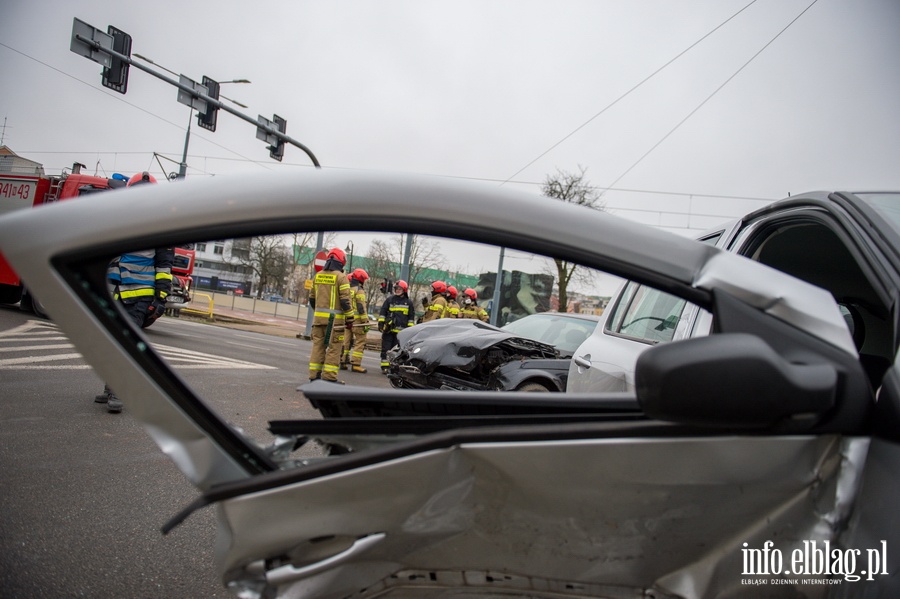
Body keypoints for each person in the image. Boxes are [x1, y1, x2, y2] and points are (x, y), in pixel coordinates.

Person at [95, 172, 174, 413]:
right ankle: (111, 386)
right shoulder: (118, 219)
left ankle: (120, 390)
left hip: (138, 297)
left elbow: (163, 267)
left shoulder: (160, 227)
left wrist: (160, 298)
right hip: (112, 293)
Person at [307, 247, 353, 383]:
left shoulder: (318, 275)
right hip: (335, 323)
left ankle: (314, 376)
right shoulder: (341, 277)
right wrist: (350, 318)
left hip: (318, 321)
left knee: (318, 347)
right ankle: (329, 378)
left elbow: (312, 299)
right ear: (341, 262)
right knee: (334, 349)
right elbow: (345, 300)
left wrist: (319, 313)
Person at [378, 279, 415, 374]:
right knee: (386, 349)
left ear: (404, 290)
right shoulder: (390, 300)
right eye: (396, 288)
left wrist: (409, 331)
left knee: (397, 351)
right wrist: (381, 323)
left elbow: (411, 318)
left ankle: (393, 367)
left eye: (399, 289)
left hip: (400, 333)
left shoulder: (409, 303)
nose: (397, 290)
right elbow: (383, 312)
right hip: (389, 330)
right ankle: (385, 367)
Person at [341, 268, 370, 373]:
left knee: (346, 341)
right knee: (360, 341)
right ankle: (356, 364)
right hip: (358, 322)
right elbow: (361, 308)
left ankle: (343, 361)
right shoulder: (359, 290)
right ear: (361, 279)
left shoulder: (348, 289)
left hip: (348, 319)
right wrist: (366, 322)